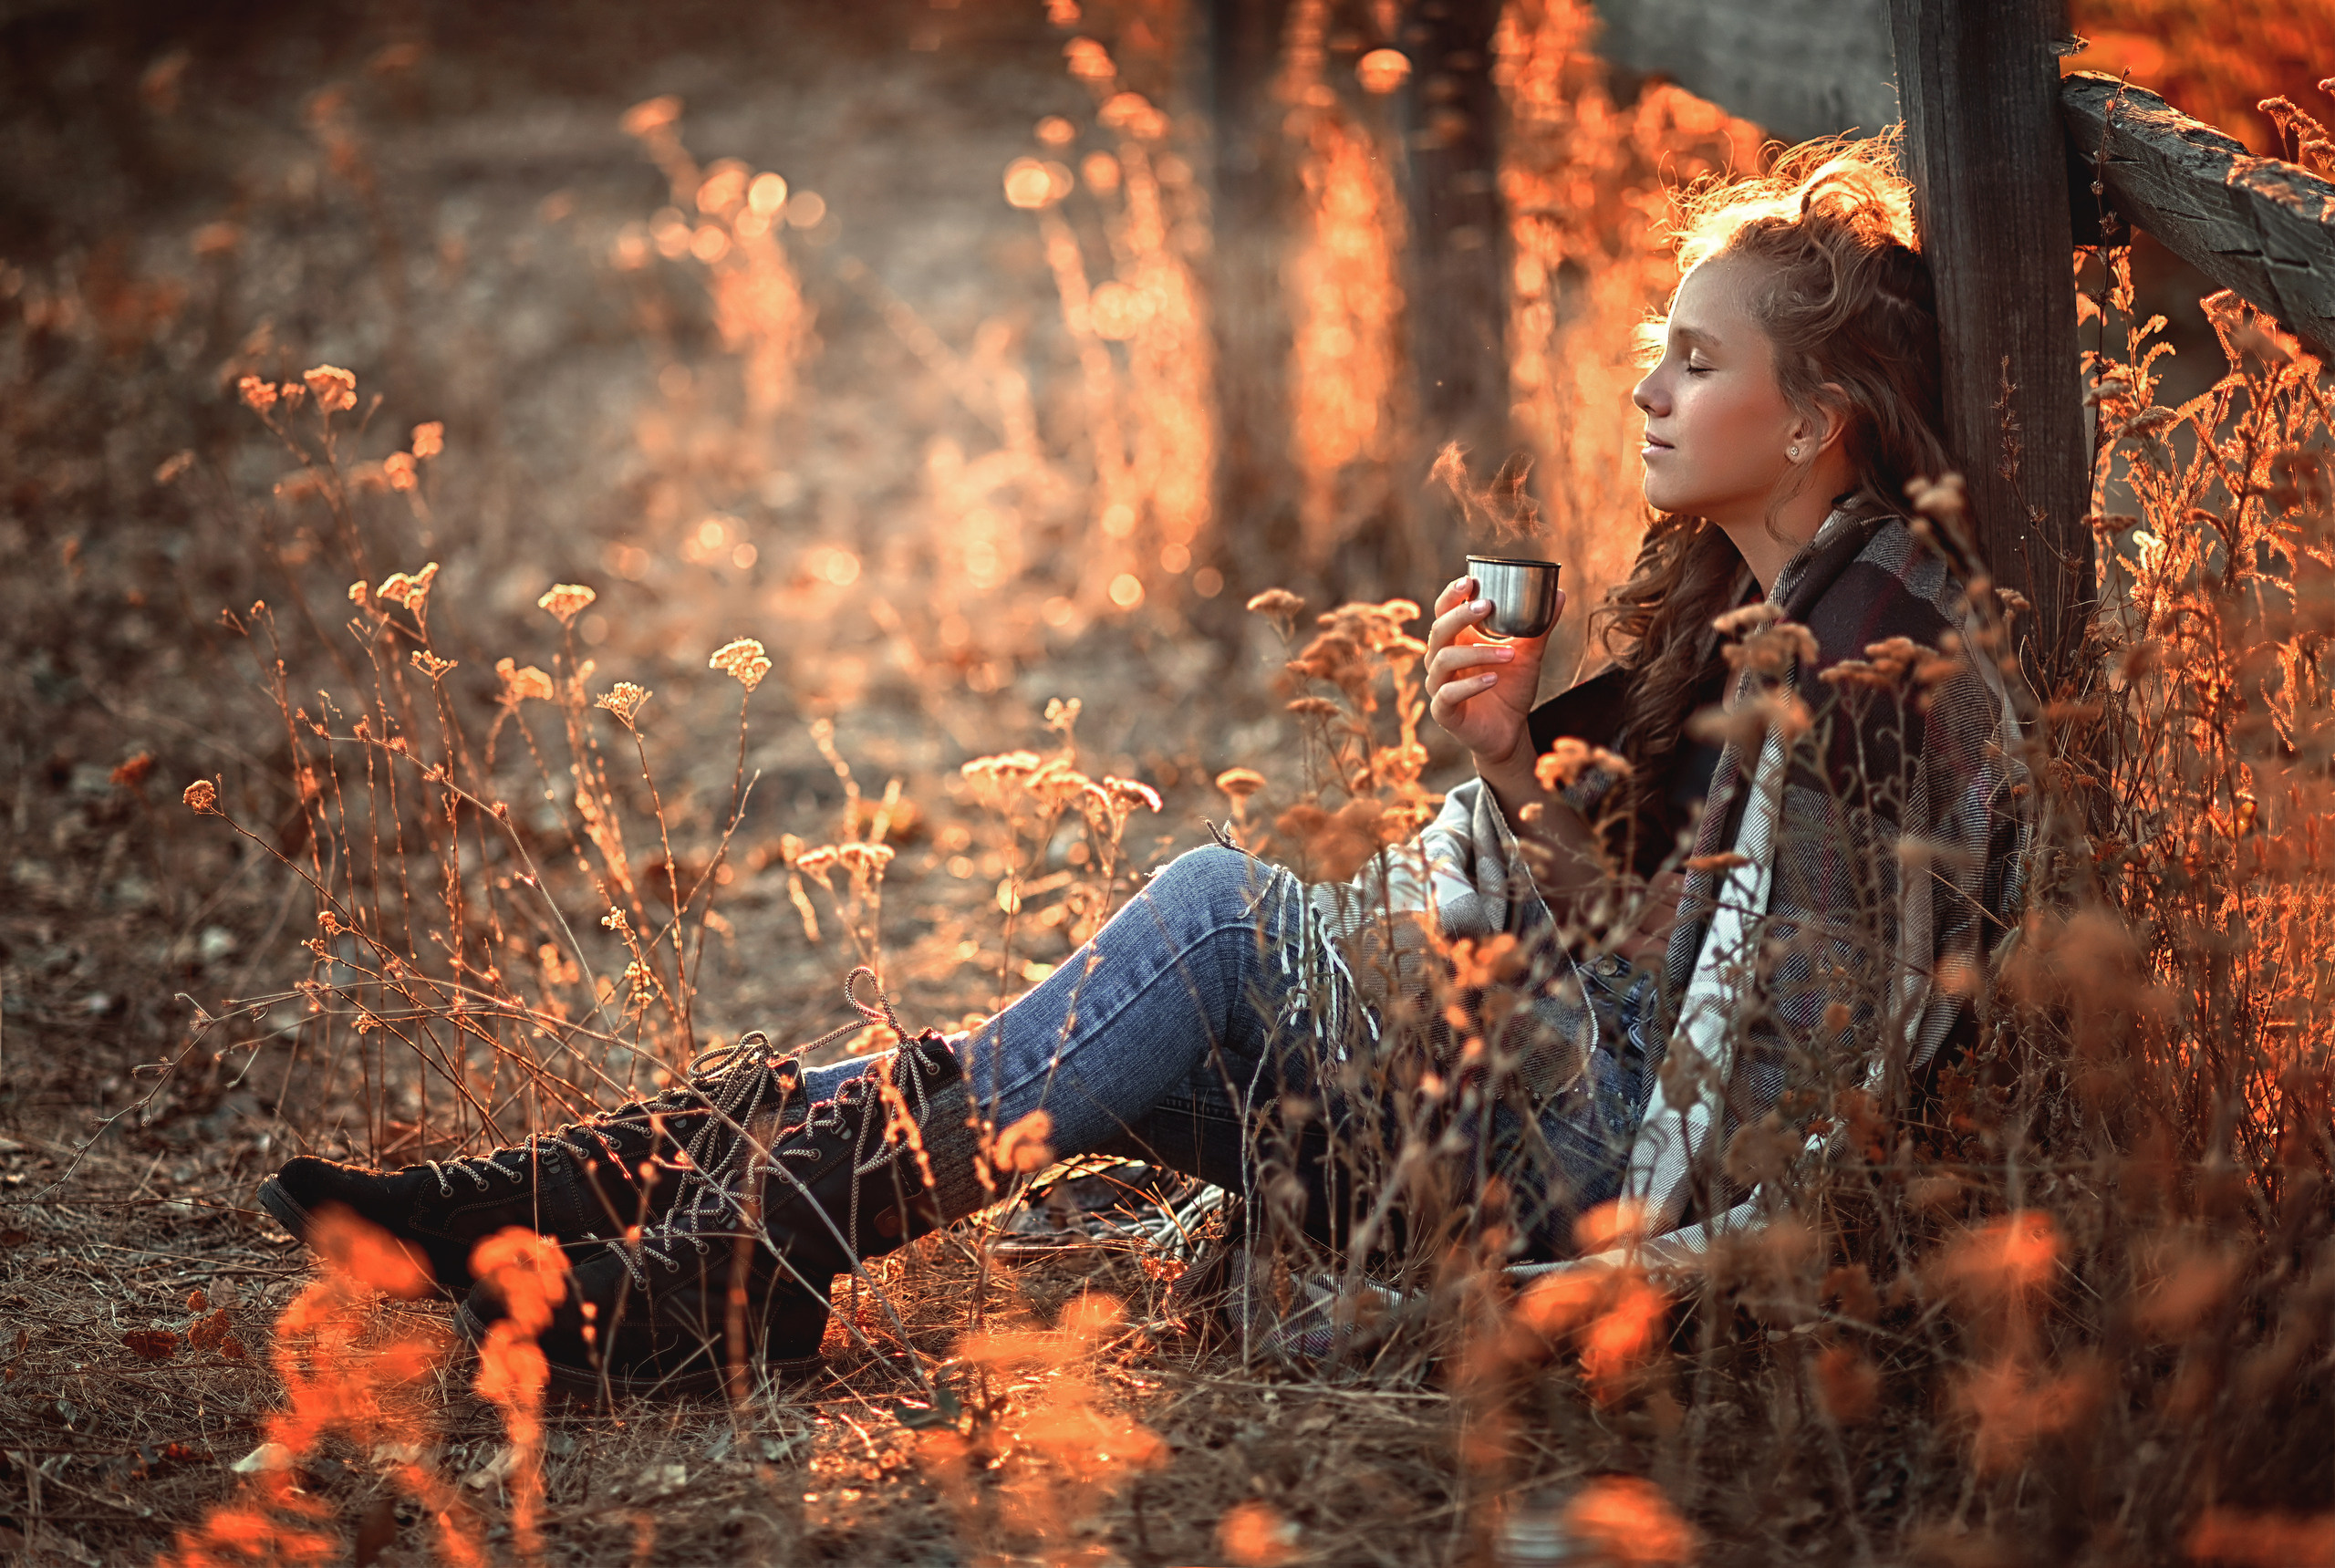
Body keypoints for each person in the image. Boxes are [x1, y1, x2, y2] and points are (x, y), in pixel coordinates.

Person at [258, 138, 2028, 1399]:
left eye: (1692, 358)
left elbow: (1727, 1108)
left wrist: (1463, 1020)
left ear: (1813, 416)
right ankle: (573, 1210)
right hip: (1546, 1115)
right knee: (1102, 1026)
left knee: (1201, 921)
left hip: (1587, 1194)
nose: (1643, 384)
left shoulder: (1859, 664)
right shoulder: (1767, 599)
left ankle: (706, 1276)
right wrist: (1503, 759)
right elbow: (1657, 967)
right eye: (1656, 346)